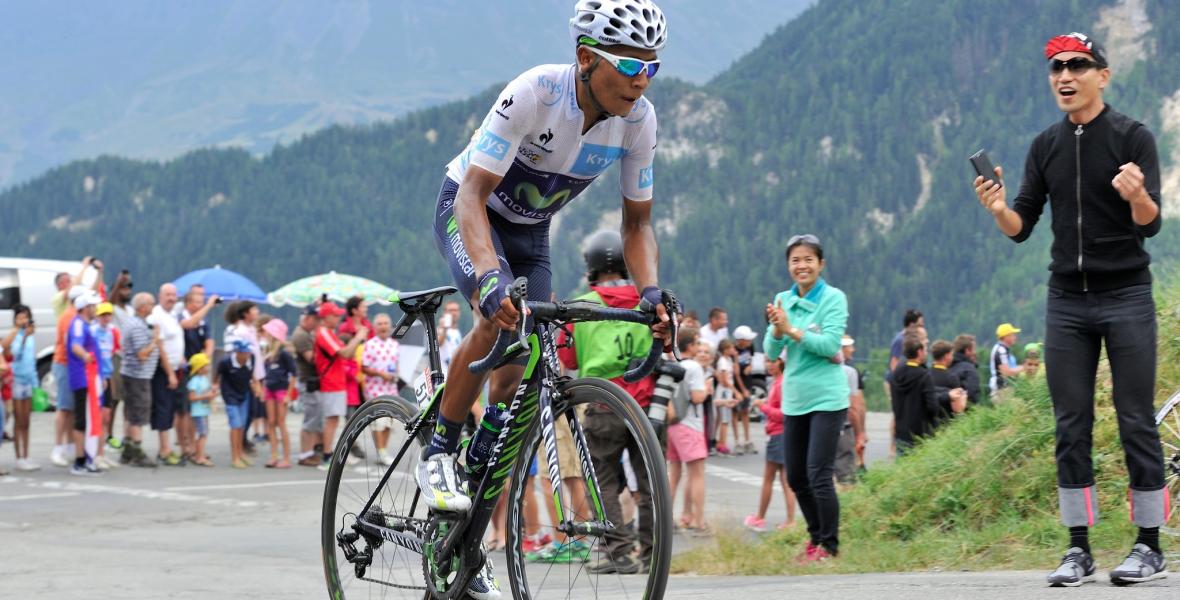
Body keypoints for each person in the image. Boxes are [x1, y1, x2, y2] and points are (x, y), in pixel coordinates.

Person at [421, 2, 669, 594]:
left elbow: (637, 227)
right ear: (586, 57)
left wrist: (652, 292)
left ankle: (467, 519)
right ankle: (439, 448)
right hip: (469, 210)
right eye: (630, 62)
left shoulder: (639, 121)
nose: (641, 78)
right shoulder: (535, 93)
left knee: (521, 372)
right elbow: (472, 196)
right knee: (498, 320)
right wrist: (486, 277)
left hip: (530, 232)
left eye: (652, 66)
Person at [974, 31, 1169, 585]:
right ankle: (1078, 549)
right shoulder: (1045, 145)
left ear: (1102, 75)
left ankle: (1149, 547)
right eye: (1057, 68)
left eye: (1077, 66)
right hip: (1066, 302)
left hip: (1127, 295)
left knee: (1135, 420)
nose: (1065, 76)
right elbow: (1020, 228)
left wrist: (1136, 196)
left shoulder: (1134, 137)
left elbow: (1150, 224)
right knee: (1070, 425)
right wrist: (997, 209)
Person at [554, 230, 659, 571]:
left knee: (604, 480)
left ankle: (619, 553)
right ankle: (652, 553)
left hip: (603, 404)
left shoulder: (583, 306)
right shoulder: (647, 302)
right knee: (650, 482)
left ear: (592, 266)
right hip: (645, 403)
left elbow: (567, 360)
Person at [764, 234, 848, 562]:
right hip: (795, 398)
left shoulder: (834, 298)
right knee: (796, 476)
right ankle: (815, 539)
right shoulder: (782, 299)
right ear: (789, 266)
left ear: (821, 264)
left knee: (818, 473)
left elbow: (830, 345)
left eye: (808, 259)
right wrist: (777, 329)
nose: (802, 266)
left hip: (827, 397)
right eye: (796, 260)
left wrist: (793, 331)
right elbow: (771, 353)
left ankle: (830, 545)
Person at [744, 355, 796, 532]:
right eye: (768, 361)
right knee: (784, 479)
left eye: (773, 361)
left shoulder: (781, 384)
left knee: (771, 478)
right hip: (778, 434)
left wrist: (762, 407)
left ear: (781, 363)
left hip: (778, 434)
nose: (770, 365)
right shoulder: (777, 382)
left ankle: (761, 517)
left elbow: (783, 414)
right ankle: (788, 519)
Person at [665, 327, 709, 534]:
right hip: (690, 424)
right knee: (696, 473)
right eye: (697, 343)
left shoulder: (674, 364)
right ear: (690, 346)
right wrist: (707, 388)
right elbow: (697, 397)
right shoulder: (694, 367)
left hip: (672, 423)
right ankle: (697, 520)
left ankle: (670, 517)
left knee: (674, 473)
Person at [891, 335, 964, 454]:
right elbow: (932, 406)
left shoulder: (897, 373)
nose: (926, 353)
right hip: (919, 432)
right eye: (925, 350)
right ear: (919, 352)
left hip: (901, 431)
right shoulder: (923, 375)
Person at [315, 302, 367, 469]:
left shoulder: (329, 333)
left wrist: (356, 340)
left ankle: (329, 453)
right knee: (332, 420)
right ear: (326, 317)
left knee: (334, 419)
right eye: (335, 315)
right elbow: (344, 353)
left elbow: (346, 354)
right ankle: (327, 455)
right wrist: (358, 337)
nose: (338, 318)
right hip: (331, 382)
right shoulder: (324, 333)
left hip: (336, 382)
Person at [175, 284, 218, 464]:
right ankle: (184, 445)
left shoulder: (204, 322)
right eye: (198, 301)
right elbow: (189, 323)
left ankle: (194, 447)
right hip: (183, 368)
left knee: (195, 411)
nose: (201, 305)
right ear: (188, 303)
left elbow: (210, 342)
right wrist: (209, 305)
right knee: (183, 410)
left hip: (197, 369)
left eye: (203, 302)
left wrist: (204, 360)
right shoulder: (181, 316)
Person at [117, 293, 160, 468]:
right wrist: (155, 340)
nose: (153, 306)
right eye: (151, 303)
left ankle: (127, 449)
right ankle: (137, 451)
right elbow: (142, 354)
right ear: (142, 307)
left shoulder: (135, 323)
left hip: (132, 374)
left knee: (130, 412)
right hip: (138, 376)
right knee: (138, 414)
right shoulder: (137, 326)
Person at [147, 284, 186, 465]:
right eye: (168, 295)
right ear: (160, 296)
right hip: (162, 369)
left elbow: (175, 340)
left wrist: (181, 358)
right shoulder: (157, 315)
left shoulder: (172, 315)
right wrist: (170, 373)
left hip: (176, 367)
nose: (171, 298)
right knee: (163, 408)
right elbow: (160, 346)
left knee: (171, 408)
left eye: (173, 295)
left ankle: (167, 448)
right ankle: (164, 450)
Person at [50, 285, 87, 467]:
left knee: (71, 407)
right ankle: (58, 448)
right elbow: (67, 344)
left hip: (72, 365)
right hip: (64, 363)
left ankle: (70, 445)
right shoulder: (69, 316)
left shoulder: (76, 315)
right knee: (63, 408)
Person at [67, 291, 103, 476]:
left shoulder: (86, 324)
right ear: (86, 308)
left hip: (89, 377)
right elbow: (75, 346)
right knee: (83, 420)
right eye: (93, 306)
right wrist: (86, 356)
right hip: (82, 377)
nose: (96, 309)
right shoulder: (79, 325)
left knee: (89, 419)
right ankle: (80, 460)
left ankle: (86, 459)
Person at [360, 313, 400, 465]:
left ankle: (383, 450)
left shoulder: (394, 344)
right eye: (380, 324)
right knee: (379, 420)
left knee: (389, 420)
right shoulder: (370, 345)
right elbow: (364, 367)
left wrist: (395, 375)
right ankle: (381, 451)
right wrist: (379, 373)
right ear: (375, 327)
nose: (383, 326)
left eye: (385, 323)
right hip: (374, 388)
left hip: (390, 387)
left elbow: (396, 366)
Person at [3, 305, 38, 471]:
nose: (24, 320)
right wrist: (22, 335)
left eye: (26, 317)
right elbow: (14, 353)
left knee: (27, 420)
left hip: (28, 379)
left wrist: (36, 382)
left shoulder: (31, 335)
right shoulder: (16, 335)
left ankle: (27, 454)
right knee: (19, 420)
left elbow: (31, 360)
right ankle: (19, 457)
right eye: (20, 317)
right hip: (17, 379)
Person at [216, 340, 262, 469]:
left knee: (242, 425)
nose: (246, 355)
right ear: (237, 352)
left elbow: (253, 375)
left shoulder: (251, 359)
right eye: (243, 353)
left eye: (248, 352)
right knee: (235, 425)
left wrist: (257, 386)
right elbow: (217, 376)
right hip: (230, 395)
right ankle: (234, 457)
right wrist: (215, 387)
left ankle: (241, 453)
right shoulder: (225, 362)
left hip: (244, 394)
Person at [261, 318, 296, 469]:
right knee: (271, 422)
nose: (265, 334)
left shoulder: (284, 354)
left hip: (281, 390)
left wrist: (289, 394)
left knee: (281, 423)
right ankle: (274, 455)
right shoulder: (268, 353)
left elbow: (294, 374)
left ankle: (286, 457)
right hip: (270, 389)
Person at [292, 306, 324, 467]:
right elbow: (312, 359)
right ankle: (305, 454)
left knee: (315, 417)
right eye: (316, 319)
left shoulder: (306, 334)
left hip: (312, 381)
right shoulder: (301, 335)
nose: (318, 323)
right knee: (311, 419)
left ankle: (310, 451)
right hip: (308, 381)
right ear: (308, 319)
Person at [835, 335, 867, 484]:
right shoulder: (850, 372)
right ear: (841, 349)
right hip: (844, 426)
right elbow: (856, 405)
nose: (853, 350)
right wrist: (860, 432)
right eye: (849, 346)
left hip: (820, 425)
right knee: (846, 475)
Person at [91, 302, 118, 470]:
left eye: (108, 314)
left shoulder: (110, 332)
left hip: (108, 376)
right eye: (103, 315)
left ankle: (101, 453)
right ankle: (94, 453)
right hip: (97, 378)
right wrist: (99, 375)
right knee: (99, 416)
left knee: (107, 417)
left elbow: (111, 354)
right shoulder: (93, 332)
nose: (106, 318)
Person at [731, 325, 759, 456]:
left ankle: (748, 440)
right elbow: (736, 373)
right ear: (740, 340)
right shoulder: (733, 351)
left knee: (746, 412)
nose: (749, 341)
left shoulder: (749, 348)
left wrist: (750, 366)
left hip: (747, 382)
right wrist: (742, 390)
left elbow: (750, 359)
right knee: (735, 414)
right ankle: (737, 442)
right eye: (747, 339)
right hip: (737, 385)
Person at [928, 339, 968, 427]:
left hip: (930, 422)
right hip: (947, 423)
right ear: (947, 356)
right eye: (951, 354)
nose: (953, 357)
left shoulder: (926, 375)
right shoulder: (951, 377)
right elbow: (957, 407)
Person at [885, 309, 923, 398]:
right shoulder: (900, 340)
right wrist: (900, 383)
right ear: (911, 325)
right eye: (920, 325)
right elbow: (894, 363)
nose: (922, 327)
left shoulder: (909, 339)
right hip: (896, 382)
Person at [186, 352, 215, 467]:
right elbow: (191, 397)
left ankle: (199, 454)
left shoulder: (204, 379)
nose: (208, 367)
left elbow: (207, 393)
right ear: (199, 368)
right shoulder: (194, 381)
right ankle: (199, 457)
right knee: (202, 433)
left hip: (204, 410)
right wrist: (206, 396)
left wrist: (212, 394)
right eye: (205, 366)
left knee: (204, 433)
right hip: (198, 412)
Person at [989, 323, 1024, 394]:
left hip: (1002, 388)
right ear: (1006, 336)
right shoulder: (1001, 350)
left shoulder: (1000, 348)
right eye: (1013, 335)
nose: (1015, 337)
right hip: (1001, 390)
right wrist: (1024, 367)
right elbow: (1006, 372)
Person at [948, 334, 982, 406]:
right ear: (967, 351)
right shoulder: (969, 369)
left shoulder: (947, 366)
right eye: (974, 349)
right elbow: (972, 394)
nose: (975, 352)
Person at [436, 300, 464, 375]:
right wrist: (444, 329)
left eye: (456, 310)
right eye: (451, 310)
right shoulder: (439, 329)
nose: (454, 313)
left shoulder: (457, 332)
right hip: (443, 373)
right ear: (445, 312)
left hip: (455, 373)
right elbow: (438, 344)